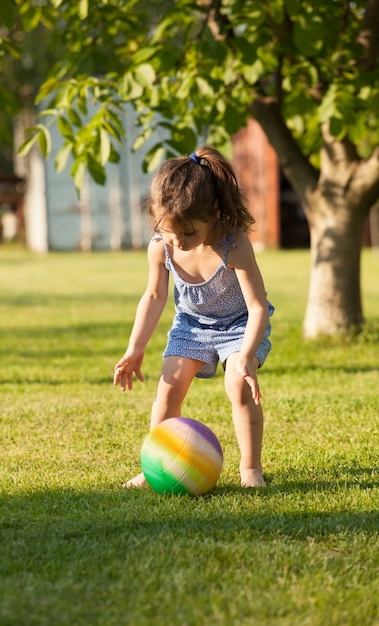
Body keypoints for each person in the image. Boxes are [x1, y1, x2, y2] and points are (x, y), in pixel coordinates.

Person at [114, 146, 274, 488]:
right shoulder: (162, 246)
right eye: (171, 232)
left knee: (238, 385)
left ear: (213, 213)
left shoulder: (233, 244)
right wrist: (135, 348)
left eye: (189, 233)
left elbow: (258, 305)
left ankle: (250, 469)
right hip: (191, 325)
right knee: (168, 388)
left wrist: (245, 356)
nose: (179, 242)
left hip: (240, 325)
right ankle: (155, 463)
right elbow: (154, 296)